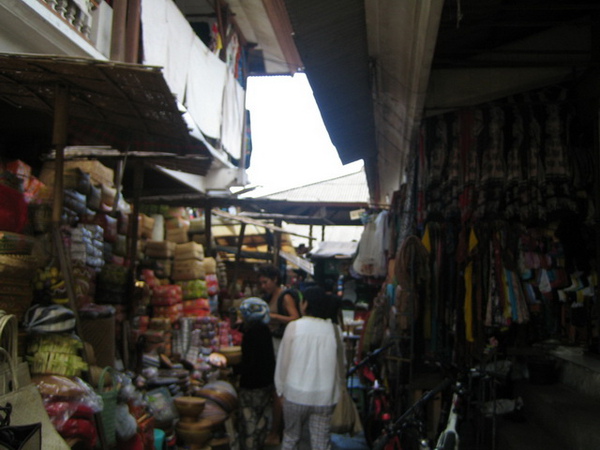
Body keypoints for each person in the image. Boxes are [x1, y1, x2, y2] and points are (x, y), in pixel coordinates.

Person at [274, 286, 343, 449]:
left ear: (305, 304)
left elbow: (284, 361)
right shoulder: (335, 330)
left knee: (291, 438)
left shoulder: (294, 326)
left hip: (295, 394)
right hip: (324, 397)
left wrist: (280, 390)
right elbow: (341, 366)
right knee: (321, 443)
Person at [257, 263, 302, 446]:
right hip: (274, 344)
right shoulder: (271, 295)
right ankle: (279, 429)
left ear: (275, 279)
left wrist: (274, 318)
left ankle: (276, 432)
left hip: (283, 344)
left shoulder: (285, 296)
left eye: (265, 282)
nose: (263, 286)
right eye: (261, 283)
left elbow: (296, 318)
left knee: (279, 388)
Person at [237, 298, 276, 450]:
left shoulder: (250, 334)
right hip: (265, 384)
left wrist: (234, 369)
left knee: (249, 425)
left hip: (251, 386)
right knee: (260, 422)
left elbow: (249, 362)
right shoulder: (265, 330)